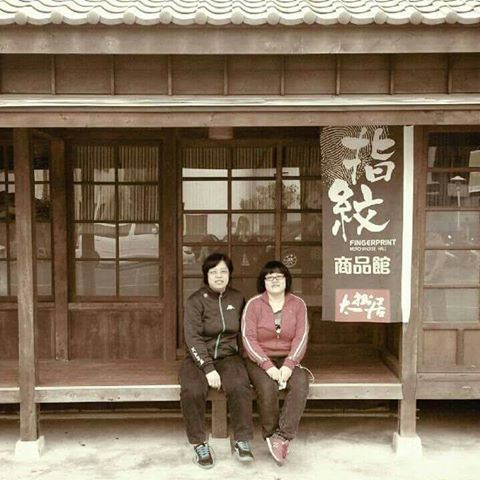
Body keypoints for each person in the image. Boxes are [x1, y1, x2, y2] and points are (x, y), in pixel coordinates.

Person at [179, 252, 254, 468]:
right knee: (192, 390)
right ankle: (199, 443)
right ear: (206, 275)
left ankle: (242, 440)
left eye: (223, 271)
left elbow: (244, 332)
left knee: (240, 386)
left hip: (228, 356)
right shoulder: (195, 301)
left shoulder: (237, 298)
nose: (219, 276)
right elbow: (192, 337)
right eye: (213, 272)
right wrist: (208, 367)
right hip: (198, 358)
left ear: (230, 274)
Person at [242, 260, 310, 465]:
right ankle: (271, 433)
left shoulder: (298, 304)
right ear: (263, 282)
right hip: (259, 358)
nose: (274, 280)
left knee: (301, 383)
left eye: (279, 276)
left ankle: (282, 436)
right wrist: (267, 365)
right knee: (267, 386)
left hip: (289, 357)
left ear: (286, 279)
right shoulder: (254, 304)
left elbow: (301, 336)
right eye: (269, 277)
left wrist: (289, 364)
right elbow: (248, 338)